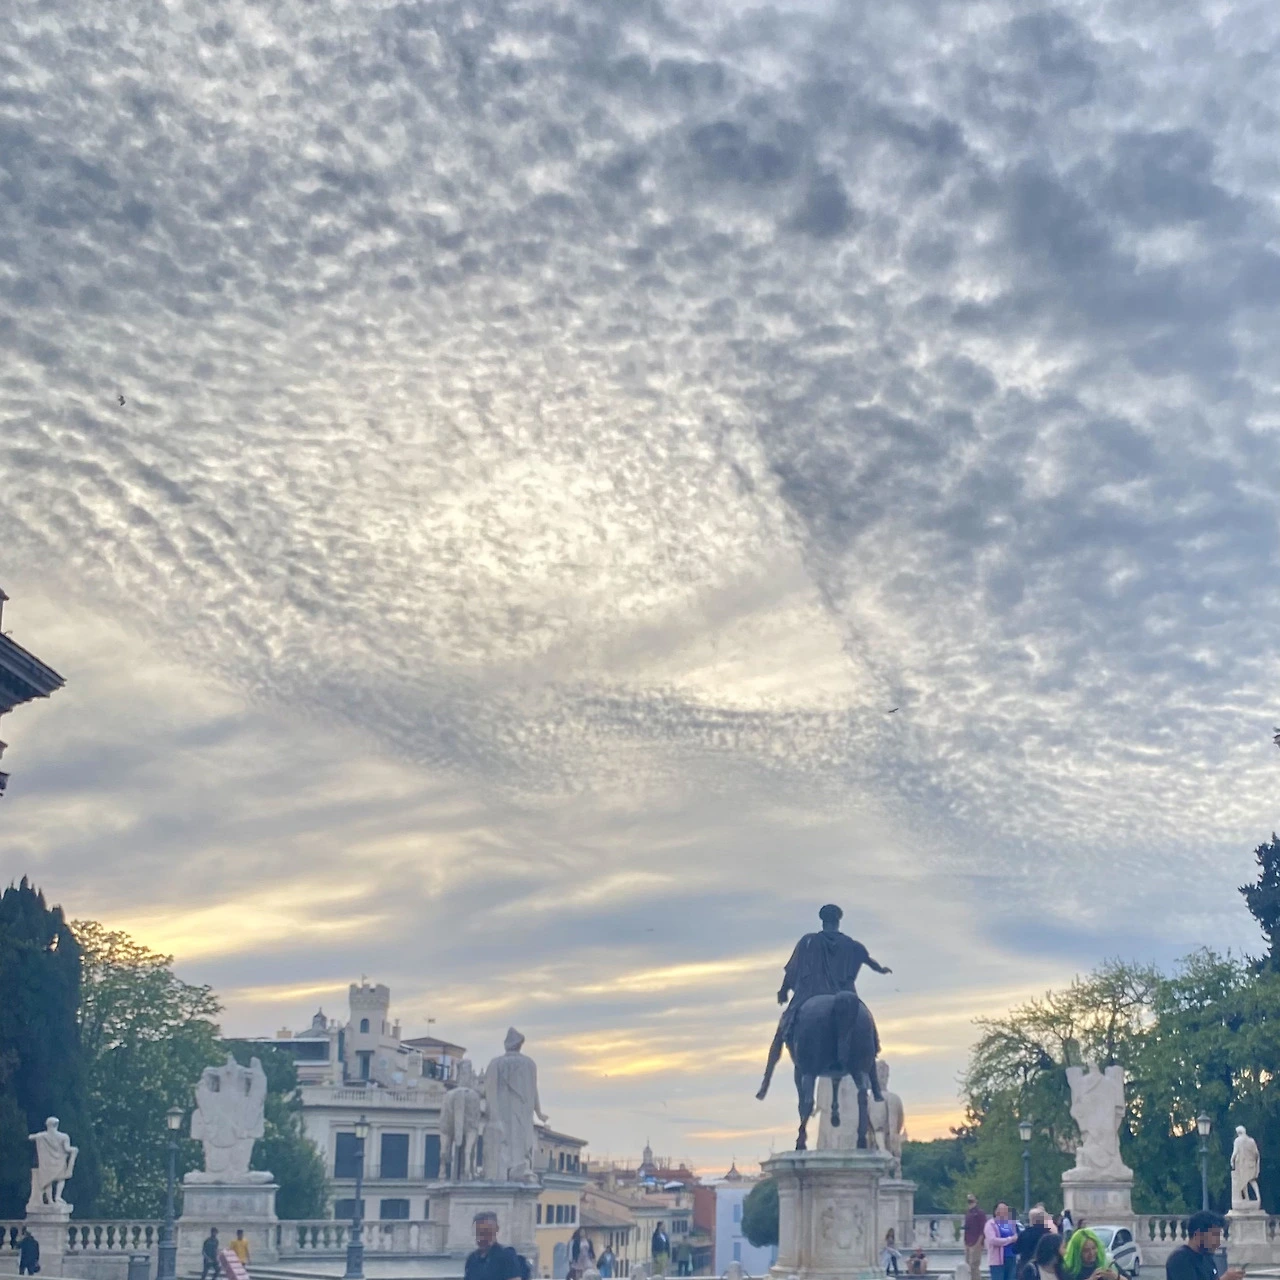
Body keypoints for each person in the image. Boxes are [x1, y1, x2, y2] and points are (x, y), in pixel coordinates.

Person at [757, 903, 892, 1098]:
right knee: (869, 1033)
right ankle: (876, 1089)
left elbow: (792, 970)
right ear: (838, 920)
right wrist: (881, 970)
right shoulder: (852, 945)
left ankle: (766, 1082)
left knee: (781, 1032)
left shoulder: (808, 941)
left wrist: (783, 991)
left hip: (811, 994)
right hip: (847, 994)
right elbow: (871, 962)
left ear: (823, 920)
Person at [1165, 1212, 1244, 1280]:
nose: (1217, 1243)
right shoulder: (1180, 1259)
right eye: (1214, 1235)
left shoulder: (1207, 1259)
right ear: (1198, 1235)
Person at [465, 1212, 522, 1280]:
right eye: (478, 1231)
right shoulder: (472, 1259)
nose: (482, 1236)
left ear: (496, 1230)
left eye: (486, 1231)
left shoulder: (506, 1255)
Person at [985, 1203, 1019, 1280]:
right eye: (1002, 1209)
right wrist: (1010, 1239)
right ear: (996, 1211)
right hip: (998, 1260)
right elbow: (992, 1240)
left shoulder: (1010, 1223)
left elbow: (1016, 1236)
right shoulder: (990, 1224)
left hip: (1011, 1257)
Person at [1016, 1208, 1051, 1276]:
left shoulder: (1024, 1233)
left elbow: (1016, 1249)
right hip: (1043, 1265)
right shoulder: (1048, 1233)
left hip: (1025, 1264)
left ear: (1031, 1219)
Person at [964, 1195, 987, 1280]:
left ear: (976, 1201)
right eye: (968, 1201)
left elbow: (982, 1230)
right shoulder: (968, 1213)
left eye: (972, 1201)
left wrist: (978, 1244)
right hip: (968, 1242)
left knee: (974, 1266)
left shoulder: (980, 1213)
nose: (970, 1203)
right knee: (967, 1265)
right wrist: (965, 1243)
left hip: (976, 1242)